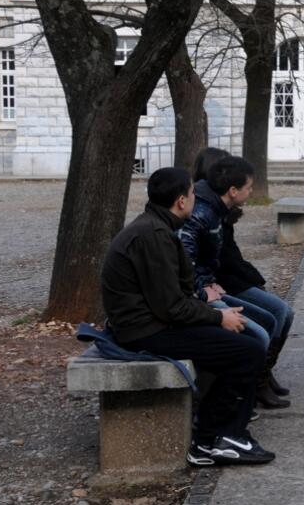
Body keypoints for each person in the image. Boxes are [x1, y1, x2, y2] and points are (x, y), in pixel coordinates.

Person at [101, 167, 274, 466]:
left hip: (151, 323)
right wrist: (218, 318)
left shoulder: (155, 226)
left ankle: (220, 433)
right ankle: (216, 439)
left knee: (244, 344)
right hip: (145, 331)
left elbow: (175, 299)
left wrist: (216, 313)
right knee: (248, 351)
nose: (195, 198)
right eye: (193, 194)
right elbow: (172, 307)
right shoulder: (153, 235)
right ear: (181, 201)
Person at [180, 155, 296, 409]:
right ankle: (238, 399)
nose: (251, 191)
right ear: (232, 190)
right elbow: (186, 263)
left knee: (279, 313)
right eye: (249, 187)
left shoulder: (216, 209)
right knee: (261, 331)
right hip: (201, 292)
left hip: (215, 283)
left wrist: (210, 281)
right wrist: (205, 288)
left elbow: (215, 258)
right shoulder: (203, 212)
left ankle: (260, 380)